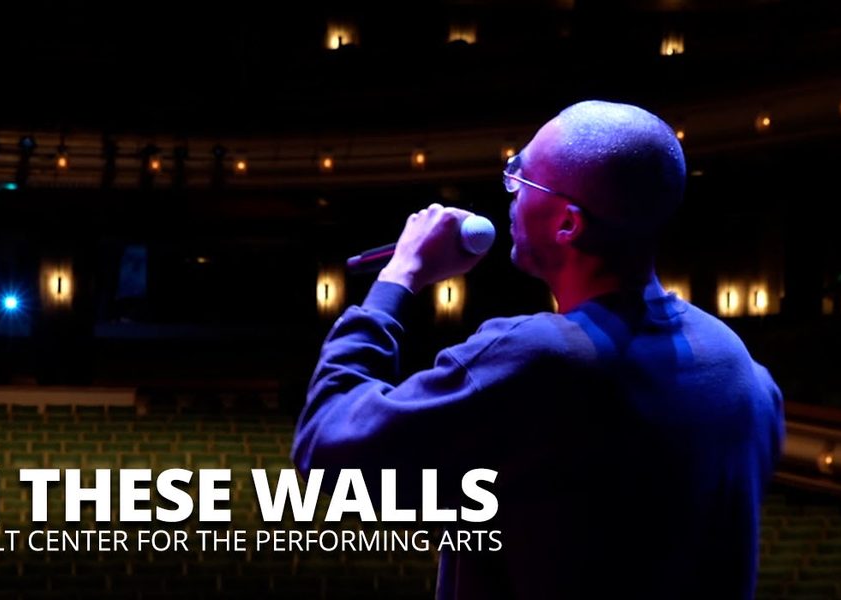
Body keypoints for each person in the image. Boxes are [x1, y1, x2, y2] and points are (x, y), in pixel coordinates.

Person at [293, 100, 784, 599]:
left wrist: (398, 277)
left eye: (521, 178)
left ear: (567, 224)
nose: (511, 193)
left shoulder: (535, 360)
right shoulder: (743, 370)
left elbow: (327, 443)